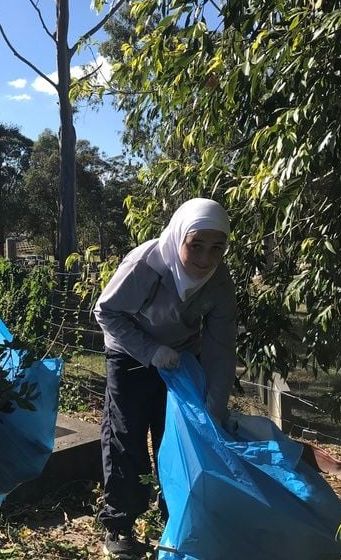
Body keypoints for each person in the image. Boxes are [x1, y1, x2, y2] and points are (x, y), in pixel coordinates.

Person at [93, 198, 237, 559]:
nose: (205, 258)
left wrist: (215, 406)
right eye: (196, 245)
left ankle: (173, 510)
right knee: (126, 435)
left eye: (217, 248)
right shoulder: (146, 265)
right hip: (129, 352)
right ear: (179, 238)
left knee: (177, 433)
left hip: (182, 358)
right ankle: (120, 522)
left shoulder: (218, 281)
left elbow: (221, 346)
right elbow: (107, 312)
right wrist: (150, 352)